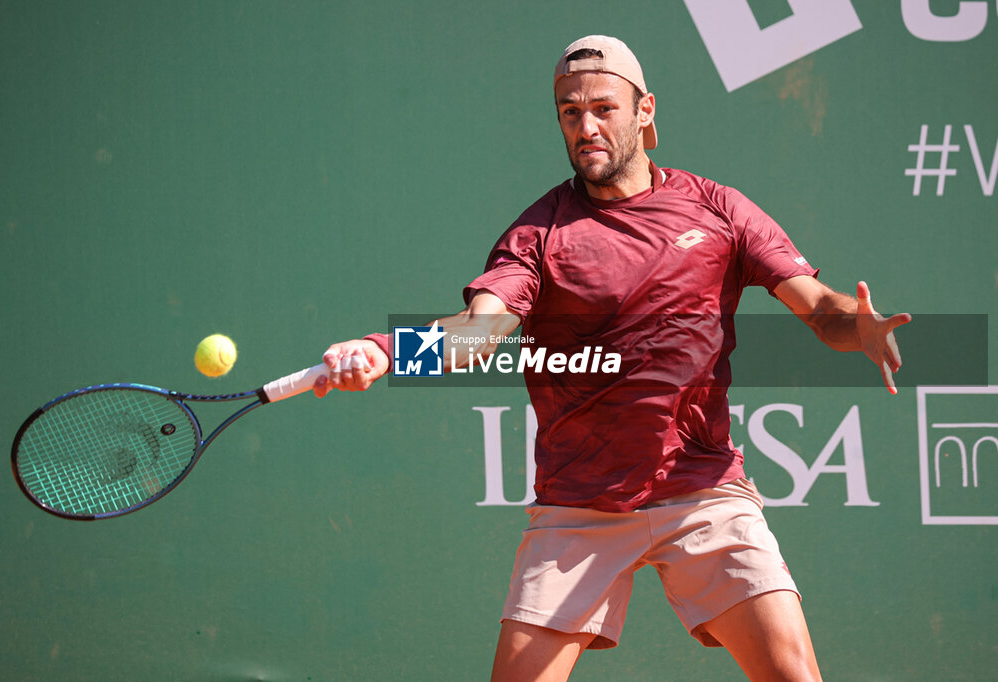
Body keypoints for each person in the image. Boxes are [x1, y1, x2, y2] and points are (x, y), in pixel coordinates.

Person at [312, 35, 911, 682]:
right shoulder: (538, 235)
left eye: (604, 108)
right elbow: (476, 334)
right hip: (581, 505)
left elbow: (819, 306)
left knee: (794, 674)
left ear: (645, 110)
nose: (587, 126)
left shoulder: (719, 209)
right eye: (571, 113)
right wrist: (384, 352)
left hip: (703, 490)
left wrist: (861, 327)